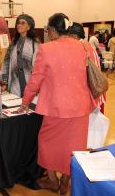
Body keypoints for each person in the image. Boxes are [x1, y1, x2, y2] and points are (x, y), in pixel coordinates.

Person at [17, 13, 96, 195]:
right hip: (80, 107)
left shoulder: (46, 49)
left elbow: (36, 80)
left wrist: (25, 102)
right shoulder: (84, 47)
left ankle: (52, 180)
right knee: (74, 147)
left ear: (52, 30)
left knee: (46, 142)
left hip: (56, 108)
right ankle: (65, 183)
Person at [68, 22, 106, 113]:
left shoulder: (78, 47)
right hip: (97, 90)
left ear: (73, 35)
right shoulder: (87, 45)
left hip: (91, 94)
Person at [0, 14, 39, 97]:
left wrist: (36, 84)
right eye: (18, 23)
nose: (19, 25)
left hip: (29, 79)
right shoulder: (14, 42)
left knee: (29, 104)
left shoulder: (35, 43)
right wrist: (5, 81)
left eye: (22, 23)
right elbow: (6, 62)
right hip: (14, 79)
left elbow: (38, 66)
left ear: (29, 27)